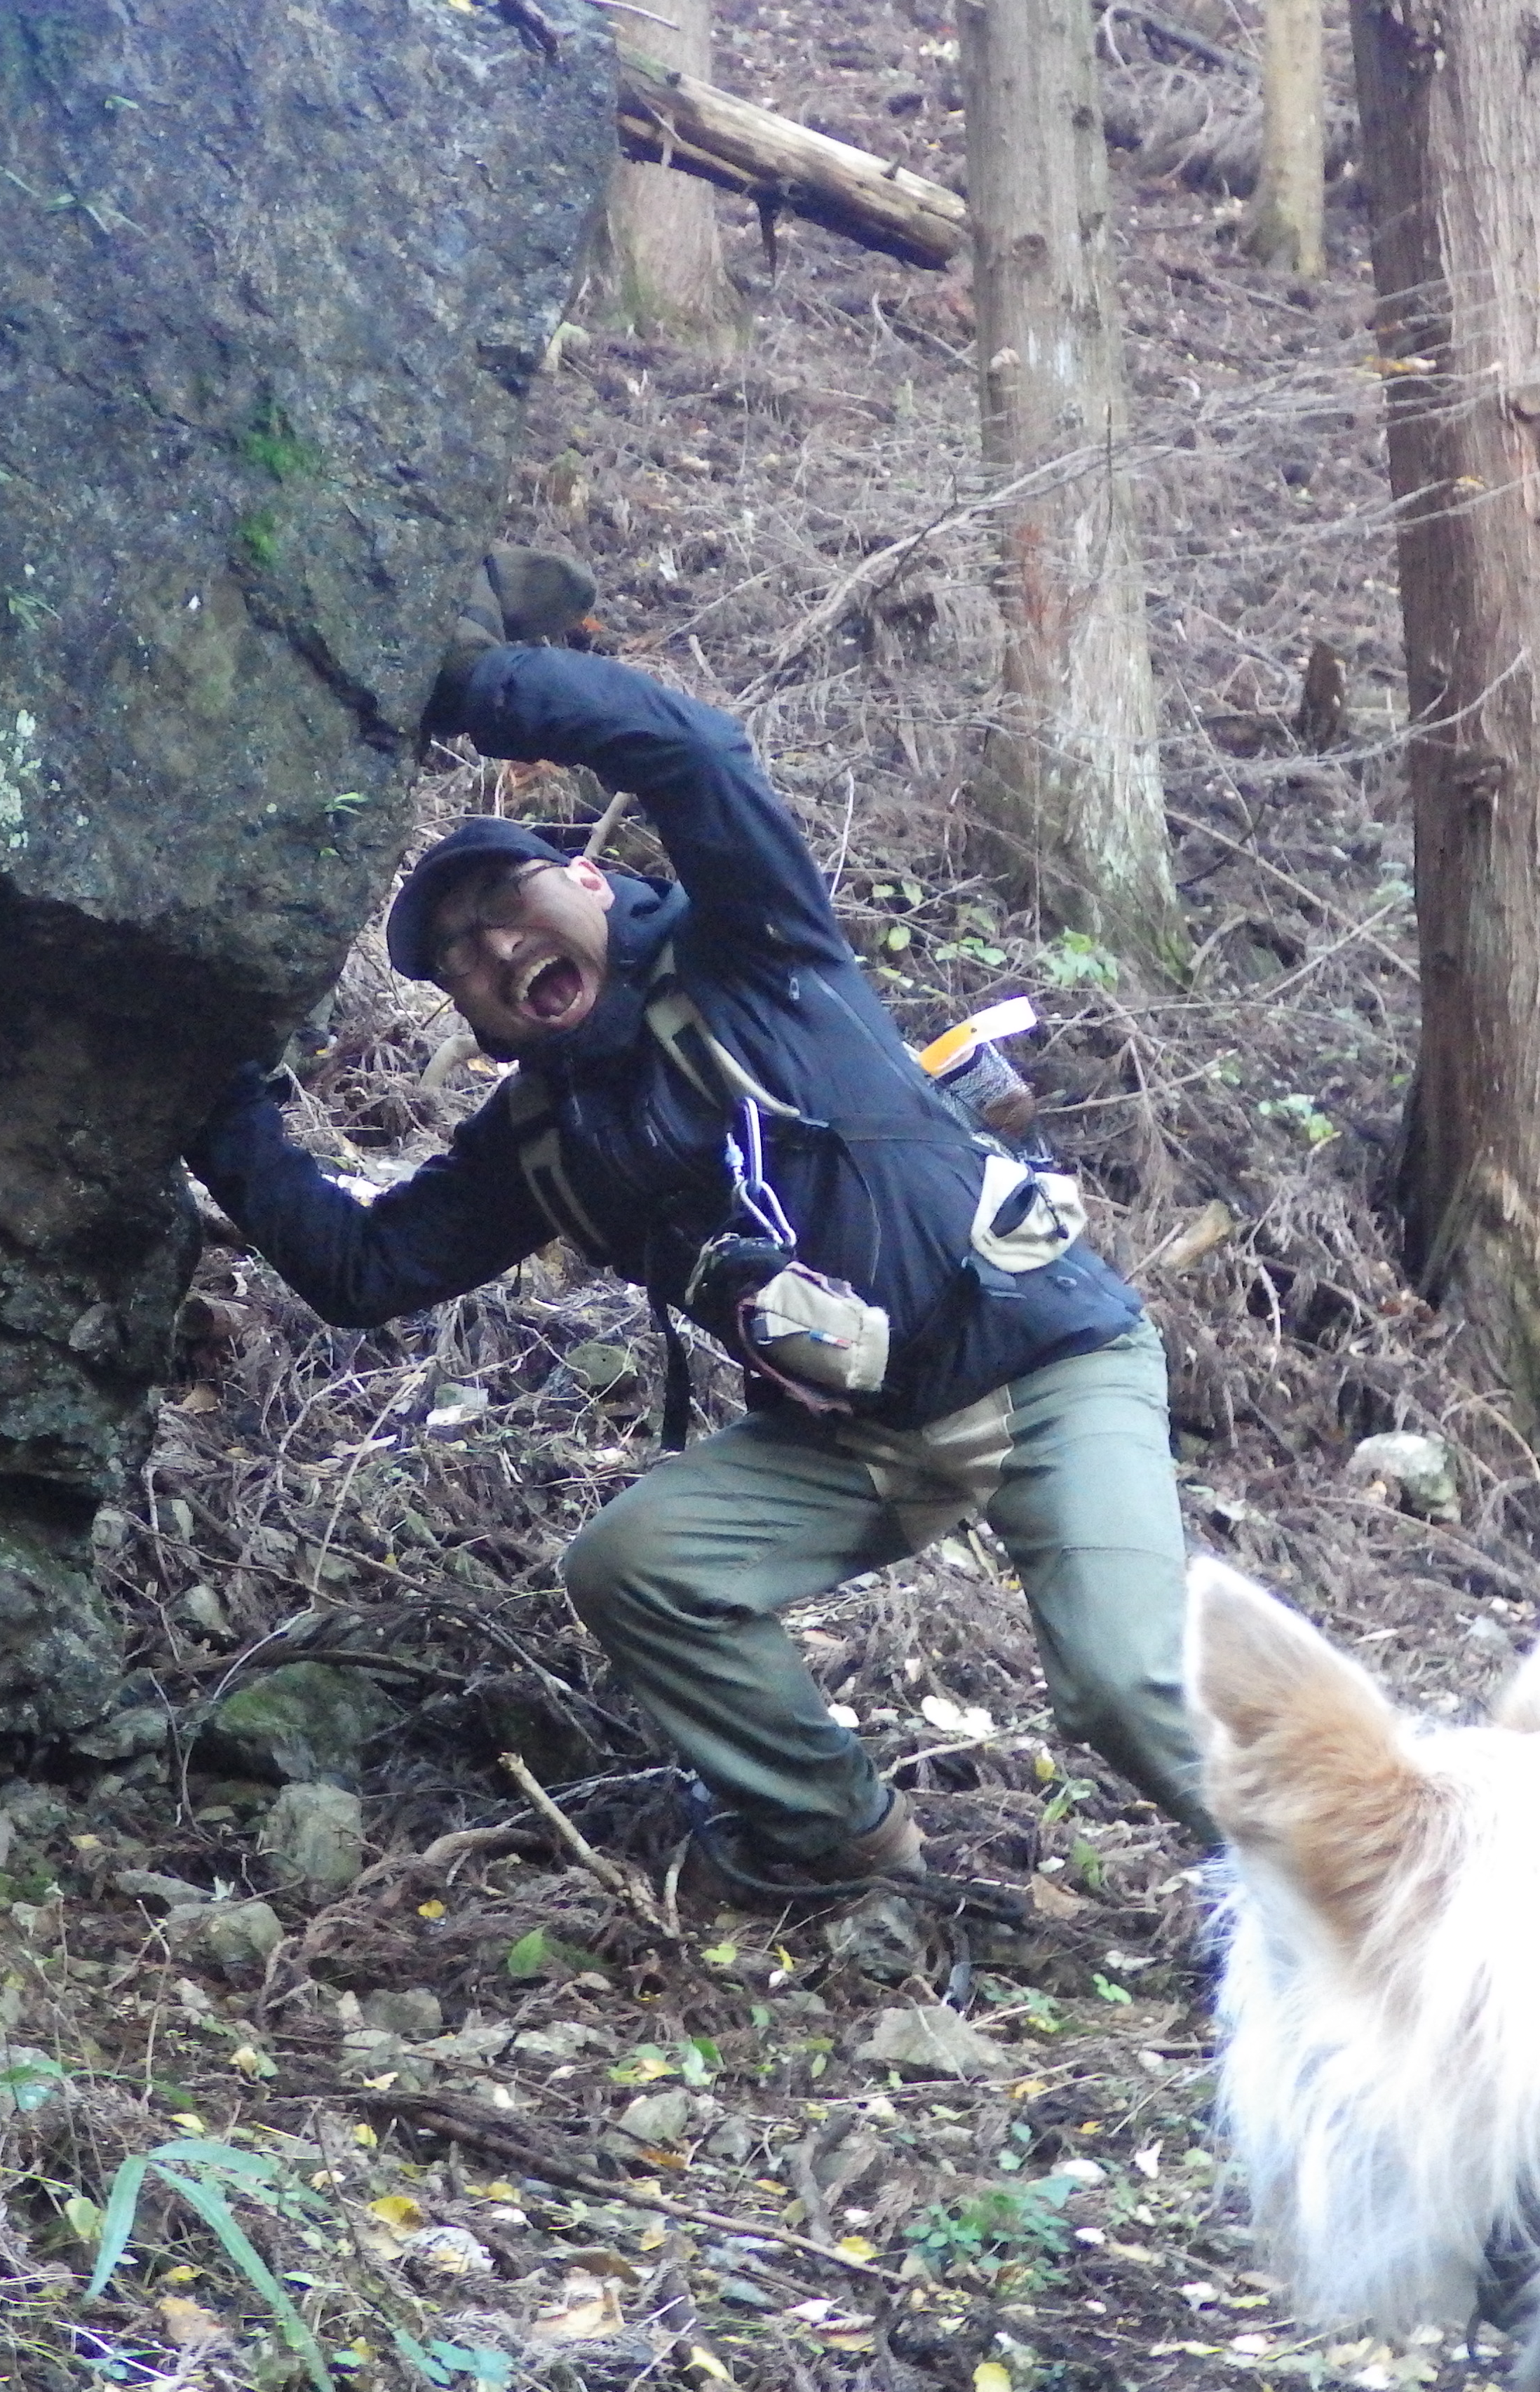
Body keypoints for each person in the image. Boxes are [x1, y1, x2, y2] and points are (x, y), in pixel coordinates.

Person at [187, 551, 1215, 1888]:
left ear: (593, 884)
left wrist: (473, 690)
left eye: (509, 905)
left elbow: (695, 760)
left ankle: (1376, 1905)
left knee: (1125, 1684)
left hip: (1051, 1360)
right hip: (869, 1436)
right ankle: (840, 1836)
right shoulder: (540, 1141)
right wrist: (211, 1099)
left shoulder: (758, 950)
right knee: (636, 1565)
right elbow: (366, 1269)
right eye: (461, 960)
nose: (497, 952)